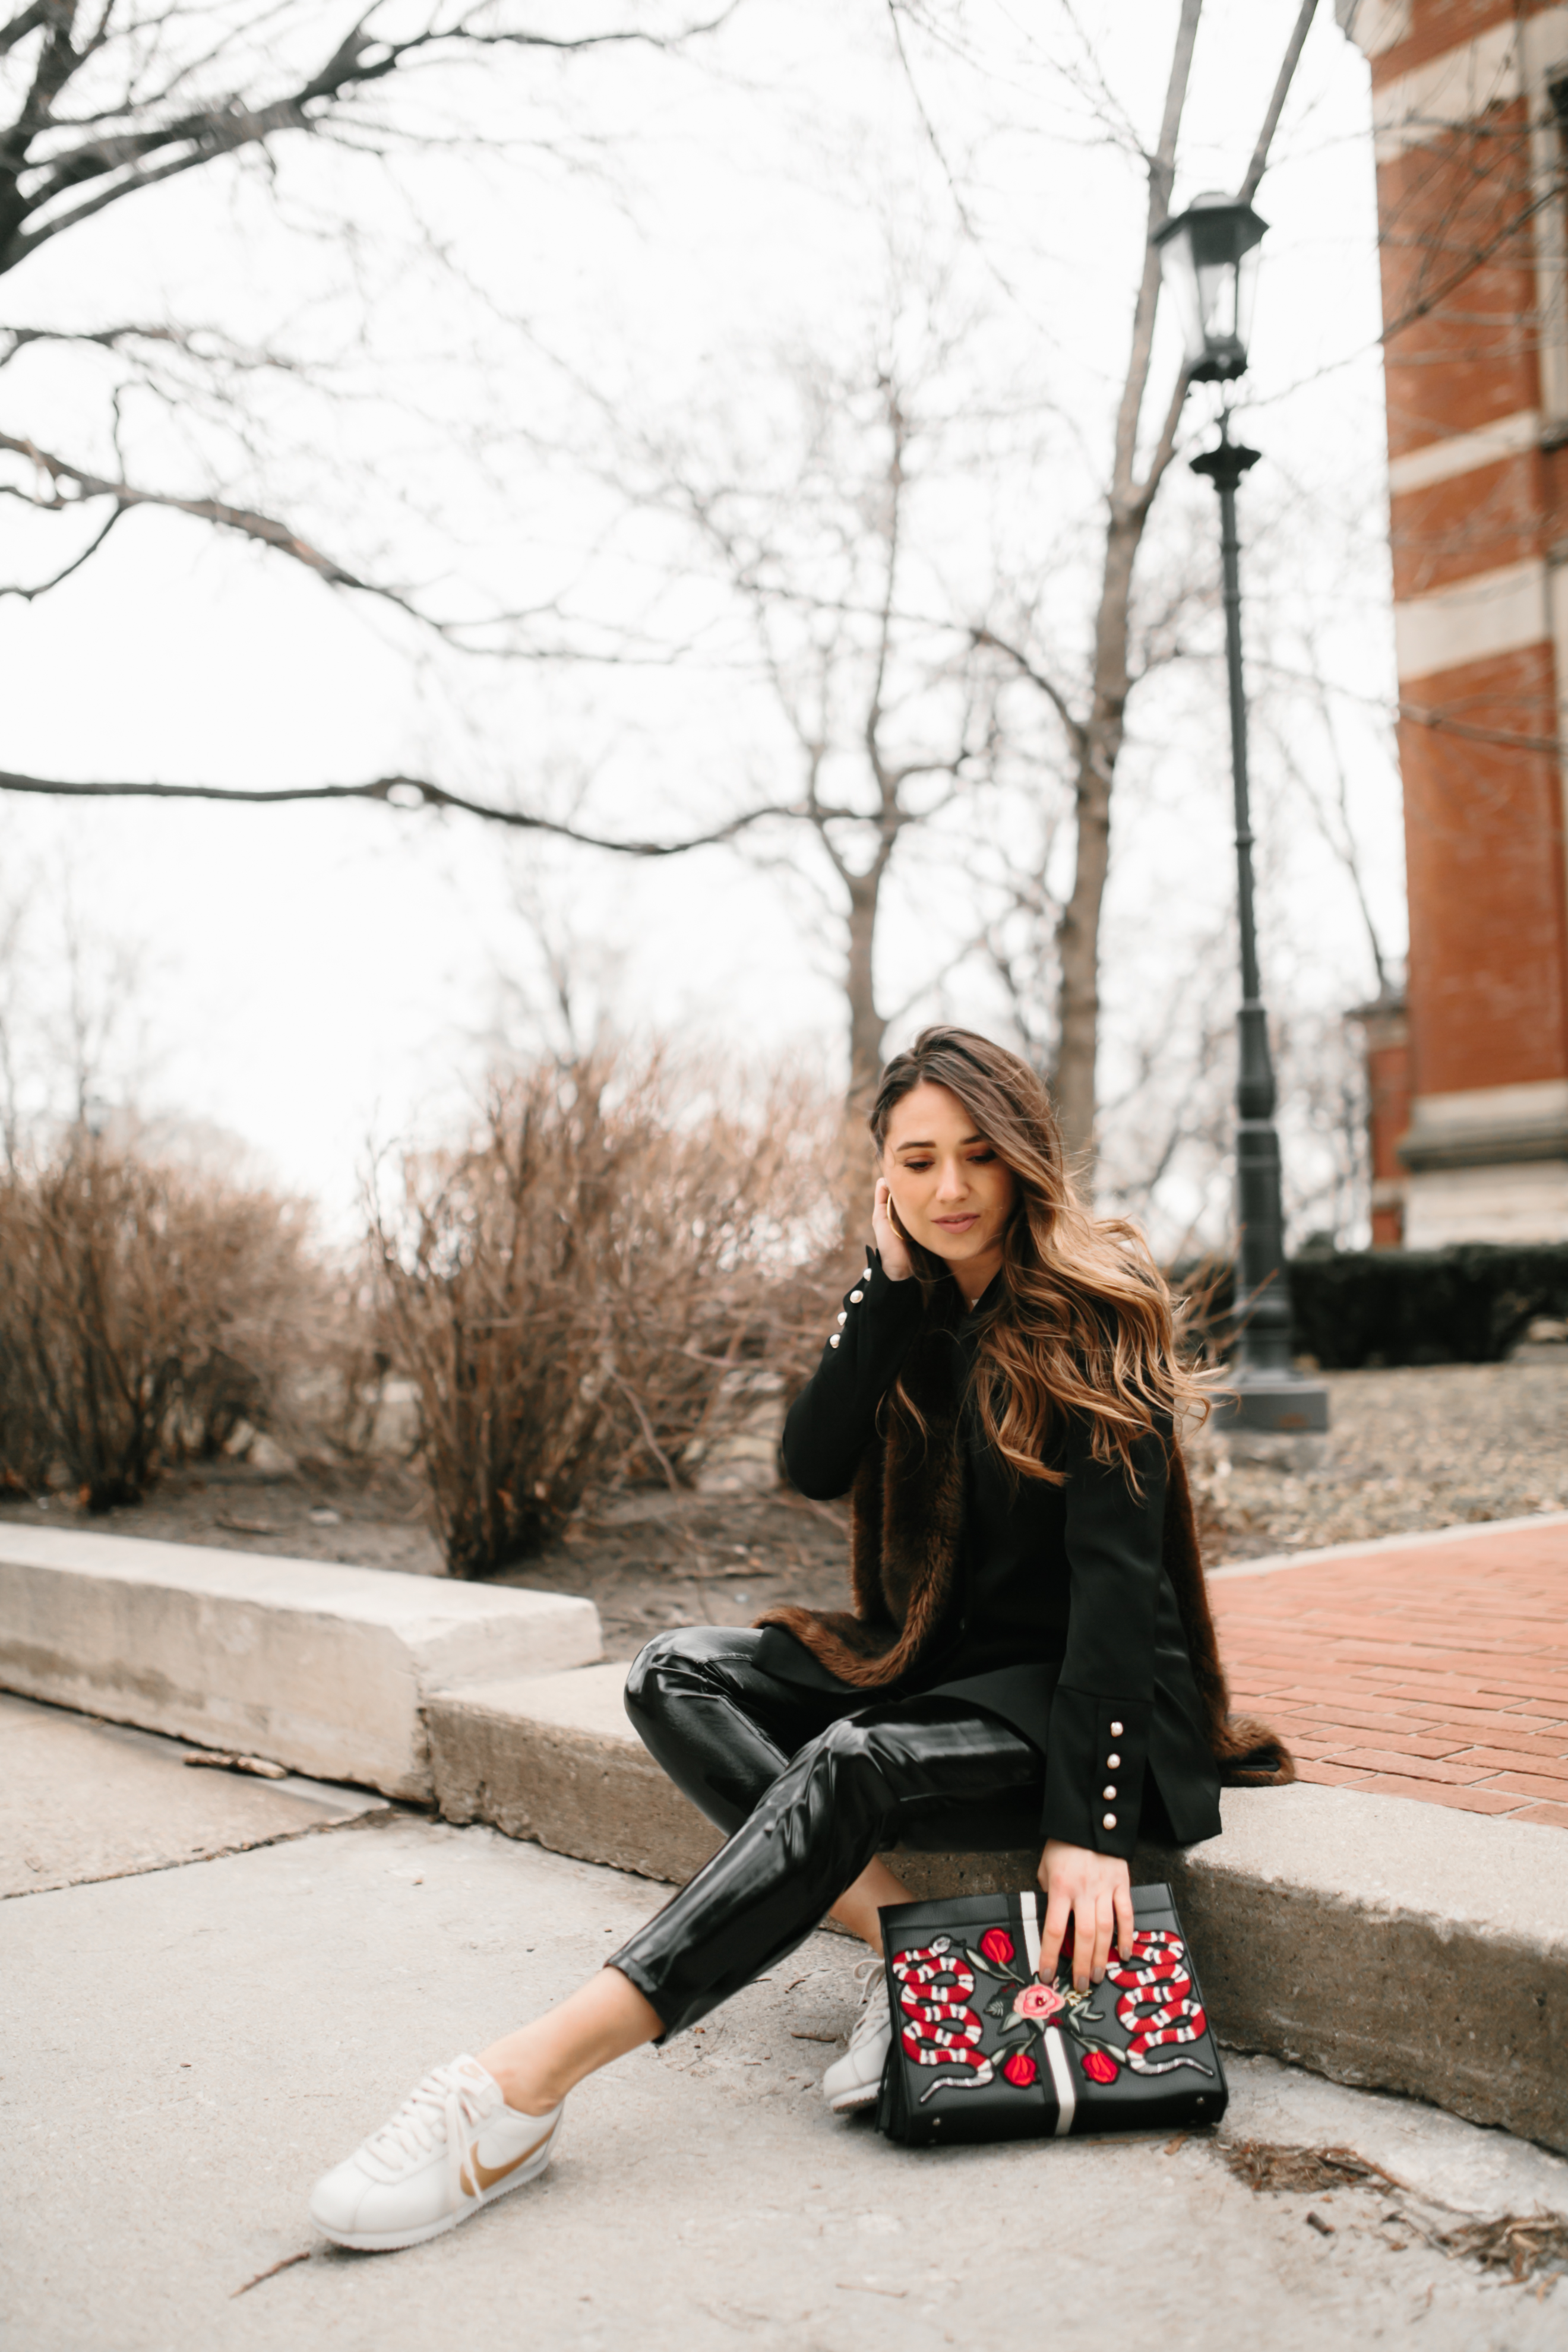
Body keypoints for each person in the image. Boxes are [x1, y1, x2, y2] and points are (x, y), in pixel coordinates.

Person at [308, 1026, 1290, 2252]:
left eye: (979, 1157)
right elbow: (811, 1459)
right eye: (918, 1160)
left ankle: (517, 2088)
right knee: (671, 1670)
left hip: (1081, 1693)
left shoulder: (1100, 1312)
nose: (950, 1189)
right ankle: (916, 1963)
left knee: (854, 1761)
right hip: (944, 1657)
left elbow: (1117, 1593)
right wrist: (878, 1290)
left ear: (1027, 1161)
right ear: (884, 1176)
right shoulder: (918, 1306)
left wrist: (1087, 1827)